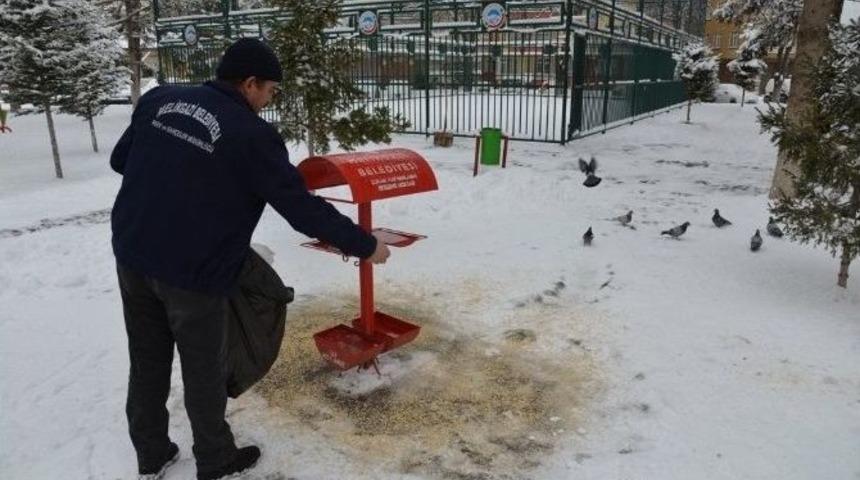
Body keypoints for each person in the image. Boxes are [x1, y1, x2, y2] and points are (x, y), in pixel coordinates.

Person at [110, 38, 391, 480]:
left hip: (132, 252)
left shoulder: (161, 99)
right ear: (249, 82)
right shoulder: (252, 135)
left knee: (147, 359)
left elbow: (121, 160)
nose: (268, 100)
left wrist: (181, 173)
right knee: (203, 368)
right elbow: (302, 210)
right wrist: (365, 244)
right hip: (193, 270)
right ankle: (216, 459)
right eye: (269, 91)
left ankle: (151, 452)